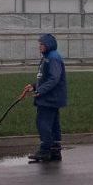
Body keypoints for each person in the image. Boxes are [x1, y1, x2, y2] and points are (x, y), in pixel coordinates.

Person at [25, 33, 67, 162]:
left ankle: (45, 150)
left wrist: (40, 90)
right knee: (53, 124)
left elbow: (54, 78)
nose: (39, 46)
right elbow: (44, 77)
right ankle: (55, 151)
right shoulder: (48, 57)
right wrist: (34, 86)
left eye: (42, 44)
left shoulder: (52, 58)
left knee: (43, 123)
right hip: (51, 97)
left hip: (49, 98)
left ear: (48, 45)